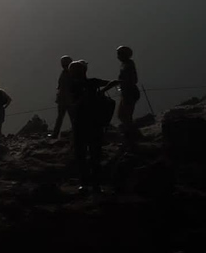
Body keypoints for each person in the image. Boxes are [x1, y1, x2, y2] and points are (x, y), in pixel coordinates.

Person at [69, 60, 110, 194]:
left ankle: (85, 184)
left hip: (80, 122)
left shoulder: (73, 85)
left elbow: (73, 102)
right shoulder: (92, 82)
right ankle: (96, 184)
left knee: (82, 154)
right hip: (94, 122)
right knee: (94, 154)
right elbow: (110, 83)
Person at [104, 46, 140, 148]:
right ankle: (133, 135)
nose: (118, 56)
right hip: (126, 92)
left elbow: (133, 79)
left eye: (120, 53)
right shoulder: (125, 64)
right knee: (122, 115)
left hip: (129, 93)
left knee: (125, 115)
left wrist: (120, 82)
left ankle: (132, 137)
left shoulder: (128, 65)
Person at [50, 56, 74, 139]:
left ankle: (55, 134)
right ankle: (76, 133)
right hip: (69, 100)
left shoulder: (64, 73)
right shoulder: (70, 74)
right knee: (73, 117)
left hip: (62, 100)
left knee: (60, 118)